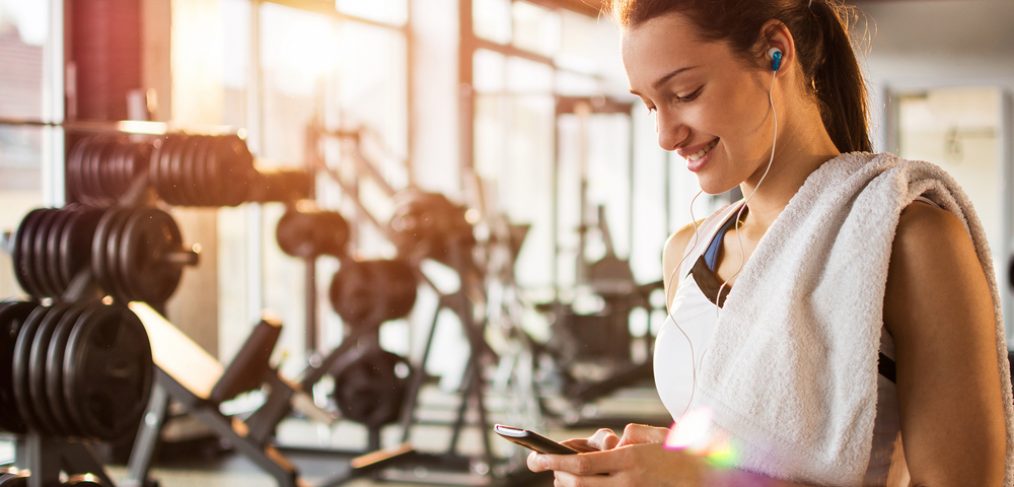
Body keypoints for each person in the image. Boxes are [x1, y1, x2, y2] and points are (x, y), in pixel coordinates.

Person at [527, 0, 1013, 485]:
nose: (664, 135)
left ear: (775, 53)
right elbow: (727, 450)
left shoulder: (909, 243)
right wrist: (636, 465)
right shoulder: (688, 252)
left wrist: (699, 482)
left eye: (685, 92)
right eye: (651, 104)